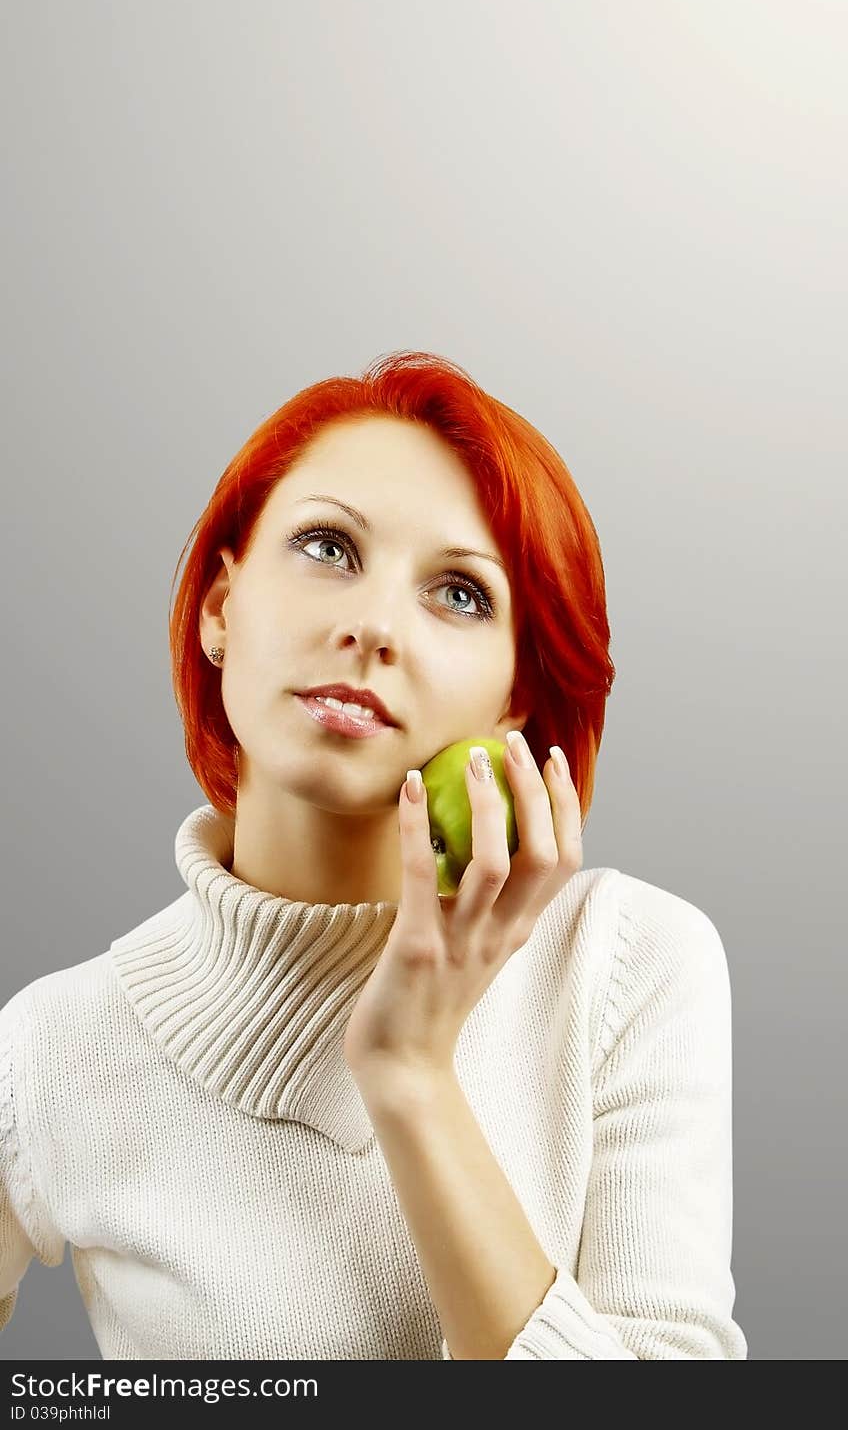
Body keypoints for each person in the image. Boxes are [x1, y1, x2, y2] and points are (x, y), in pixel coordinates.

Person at [0, 350, 748, 1360]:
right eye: (327, 546)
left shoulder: (625, 964)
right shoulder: (53, 1046)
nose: (373, 626)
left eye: (459, 594)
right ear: (222, 606)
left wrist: (409, 1073)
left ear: (513, 701)